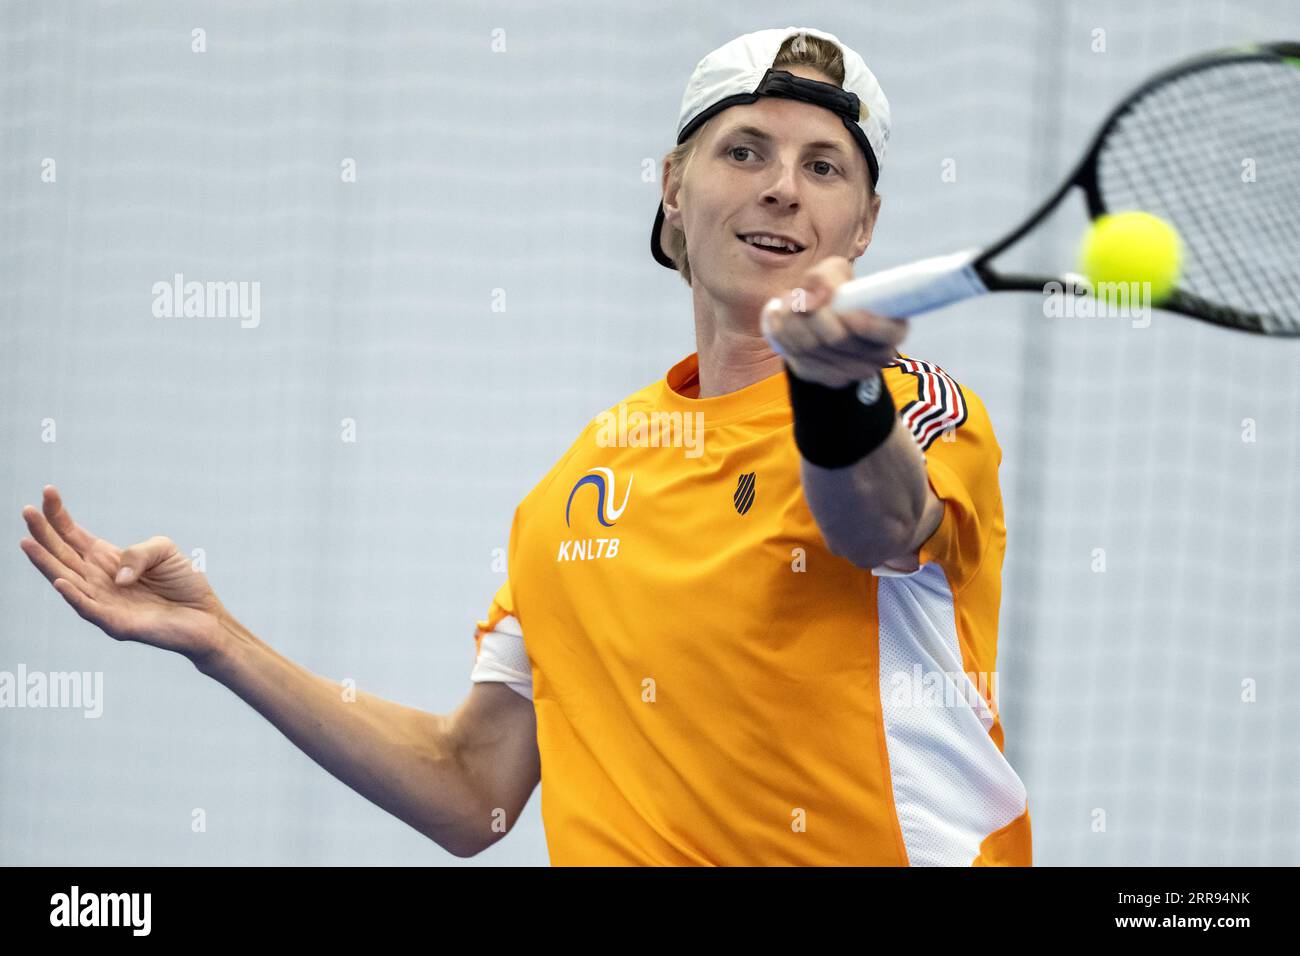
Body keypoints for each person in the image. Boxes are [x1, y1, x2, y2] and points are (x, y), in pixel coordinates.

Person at [19, 26, 1030, 866]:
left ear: (864, 224)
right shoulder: (581, 480)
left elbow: (882, 524)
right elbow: (475, 790)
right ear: (673, 186)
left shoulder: (908, 405)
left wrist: (832, 383)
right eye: (745, 150)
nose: (781, 188)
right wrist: (222, 642)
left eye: (823, 168)